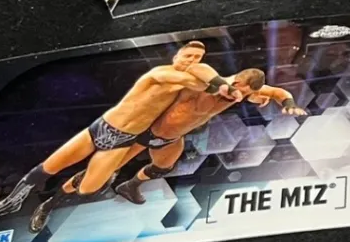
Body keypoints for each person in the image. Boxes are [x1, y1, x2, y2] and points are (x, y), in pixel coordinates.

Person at [0, 42, 231, 231]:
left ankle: (47, 205)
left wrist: (215, 81)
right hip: (102, 127)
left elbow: (205, 86)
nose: (191, 61)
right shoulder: (161, 73)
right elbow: (197, 81)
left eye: (197, 58)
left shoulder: (188, 85)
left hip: (124, 140)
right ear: (176, 56)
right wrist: (211, 77)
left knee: (88, 188)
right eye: (188, 56)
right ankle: (12, 201)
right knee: (49, 166)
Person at [110, 69, 305, 205]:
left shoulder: (244, 90)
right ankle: (98, 182)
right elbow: (196, 71)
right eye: (242, 92)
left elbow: (277, 92)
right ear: (236, 83)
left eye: (247, 95)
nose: (240, 98)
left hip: (173, 136)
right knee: (111, 165)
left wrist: (289, 104)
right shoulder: (206, 86)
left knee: (163, 167)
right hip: (153, 127)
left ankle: (130, 186)